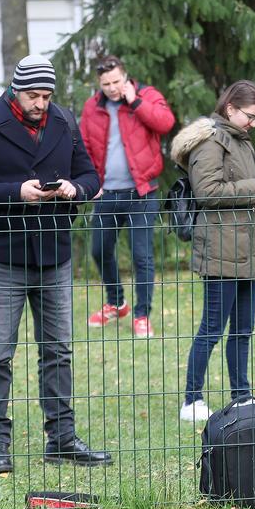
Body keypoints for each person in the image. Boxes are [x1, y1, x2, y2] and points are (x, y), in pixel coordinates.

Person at [0, 54, 112, 474]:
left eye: (46, 95)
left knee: (58, 351)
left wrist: (75, 189)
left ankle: (61, 438)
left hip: (54, 255)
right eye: (33, 95)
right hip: (3, 258)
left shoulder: (63, 121)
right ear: (15, 90)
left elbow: (91, 176)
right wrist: (15, 192)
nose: (41, 103)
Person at [171, 80, 255, 423]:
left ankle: (241, 397)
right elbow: (207, 192)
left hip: (245, 249)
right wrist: (254, 185)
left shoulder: (239, 141)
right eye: (250, 116)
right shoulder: (210, 142)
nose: (254, 122)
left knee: (242, 329)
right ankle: (192, 400)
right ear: (230, 108)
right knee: (212, 327)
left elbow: (239, 192)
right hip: (220, 250)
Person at [79, 55, 176, 337]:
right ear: (99, 83)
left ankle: (142, 314)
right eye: (106, 83)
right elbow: (84, 146)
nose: (111, 88)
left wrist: (136, 102)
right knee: (99, 251)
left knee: (141, 256)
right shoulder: (92, 107)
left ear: (126, 77)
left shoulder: (147, 96)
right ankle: (116, 302)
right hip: (106, 193)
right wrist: (90, 183)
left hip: (141, 194)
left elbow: (165, 123)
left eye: (116, 81)